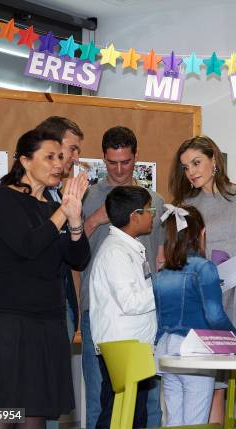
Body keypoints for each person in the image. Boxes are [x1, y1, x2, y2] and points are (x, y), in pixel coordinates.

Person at [0, 129, 90, 429]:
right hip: (9, 324)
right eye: (49, 157)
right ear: (25, 160)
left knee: (34, 418)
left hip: (46, 326)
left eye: (61, 157)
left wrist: (75, 221)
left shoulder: (51, 208)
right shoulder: (4, 199)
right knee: (3, 417)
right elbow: (29, 246)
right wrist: (63, 211)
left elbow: (78, 258)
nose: (58, 164)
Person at [169, 135, 236, 422]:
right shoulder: (184, 205)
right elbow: (182, 255)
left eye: (196, 162)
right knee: (211, 385)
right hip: (207, 300)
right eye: (186, 166)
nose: (191, 171)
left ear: (214, 159)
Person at [80, 126, 165, 429]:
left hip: (146, 315)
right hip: (101, 311)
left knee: (147, 401)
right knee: (101, 400)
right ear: (103, 158)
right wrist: (95, 219)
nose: (118, 169)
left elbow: (160, 254)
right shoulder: (88, 197)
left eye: (125, 162)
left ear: (136, 158)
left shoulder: (153, 200)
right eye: (112, 162)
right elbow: (72, 253)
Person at [153, 204, 236, 426]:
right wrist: (235, 338)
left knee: (175, 420)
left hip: (166, 350)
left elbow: (160, 321)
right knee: (196, 421)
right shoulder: (204, 268)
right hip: (195, 350)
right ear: (202, 234)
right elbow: (215, 315)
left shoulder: (162, 274)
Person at [89, 186, 158, 429]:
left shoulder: (129, 248)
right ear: (135, 216)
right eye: (150, 209)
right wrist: (162, 290)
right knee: (117, 416)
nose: (153, 214)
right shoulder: (115, 253)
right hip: (123, 350)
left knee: (134, 416)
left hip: (134, 349)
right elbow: (131, 302)